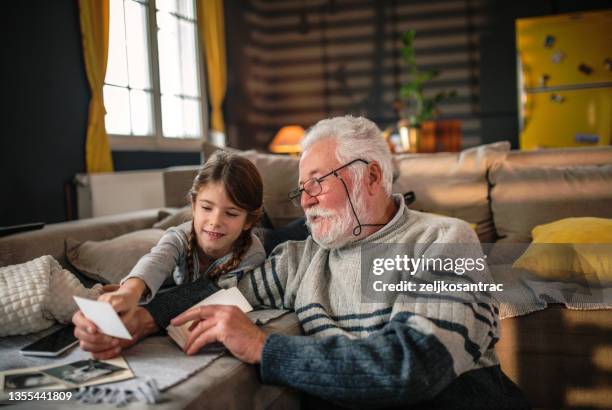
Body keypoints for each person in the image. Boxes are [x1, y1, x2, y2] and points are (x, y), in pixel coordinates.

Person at [74, 116, 529, 408]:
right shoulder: (301, 257)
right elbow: (223, 291)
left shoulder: (442, 239)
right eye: (300, 188)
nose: (304, 201)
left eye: (317, 182)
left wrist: (261, 346)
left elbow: (414, 366)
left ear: (371, 176)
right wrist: (141, 318)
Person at [98, 150, 266, 318]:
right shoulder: (179, 237)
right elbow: (157, 260)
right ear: (193, 205)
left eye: (231, 213)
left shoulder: (253, 255)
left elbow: (215, 294)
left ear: (248, 221)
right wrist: (130, 290)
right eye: (206, 208)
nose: (215, 221)